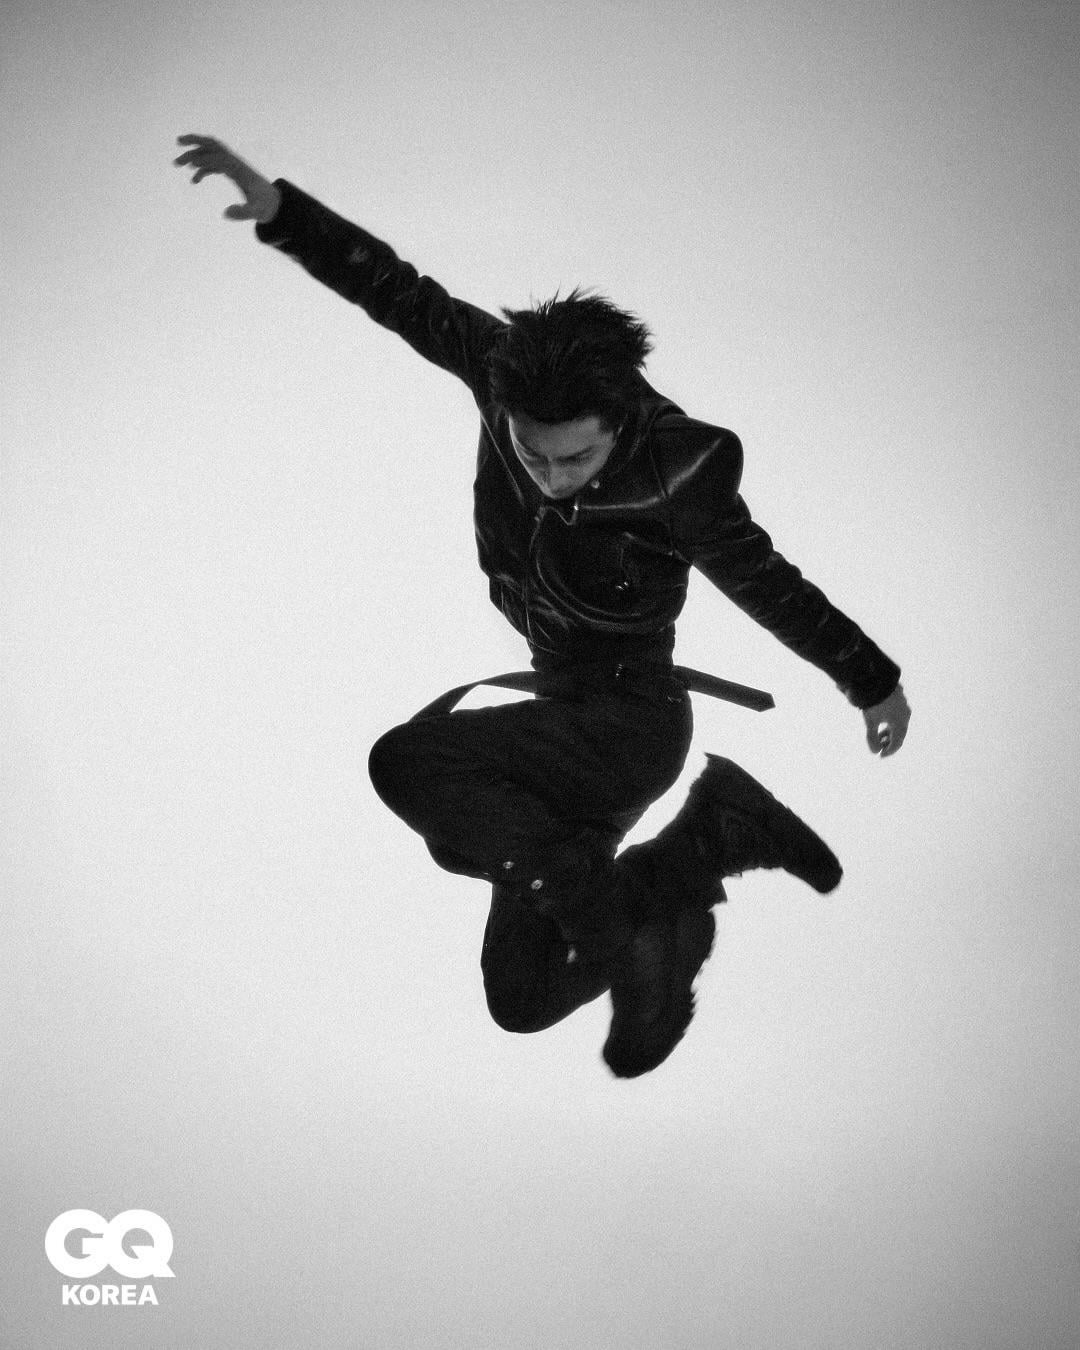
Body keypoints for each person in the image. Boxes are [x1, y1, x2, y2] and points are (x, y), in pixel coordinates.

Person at [174, 134, 911, 1079]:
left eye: (578, 458)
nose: (553, 477)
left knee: (407, 760)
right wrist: (284, 214)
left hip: (628, 724)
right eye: (532, 454)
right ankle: (707, 841)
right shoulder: (496, 369)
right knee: (521, 1000)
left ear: (621, 421)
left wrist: (871, 680)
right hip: (561, 742)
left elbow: (770, 584)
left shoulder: (681, 471)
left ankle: (629, 922)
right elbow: (399, 294)